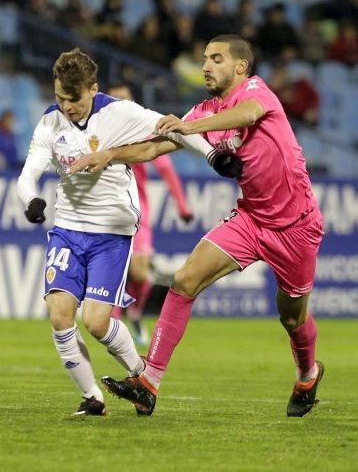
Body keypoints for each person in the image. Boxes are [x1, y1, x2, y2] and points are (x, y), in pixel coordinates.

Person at [71, 35, 324, 417]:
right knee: (184, 280)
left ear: (240, 66)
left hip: (297, 226)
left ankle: (308, 373)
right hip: (251, 219)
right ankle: (149, 382)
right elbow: (154, 146)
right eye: (205, 58)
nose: (206, 65)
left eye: (216, 59)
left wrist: (192, 129)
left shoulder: (256, 92)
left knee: (292, 316)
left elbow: (248, 115)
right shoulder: (203, 111)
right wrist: (108, 154)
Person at [17, 48, 242, 416]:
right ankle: (93, 397)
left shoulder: (118, 113)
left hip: (111, 231)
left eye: (72, 99)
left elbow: (175, 127)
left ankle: (141, 377)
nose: (66, 106)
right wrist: (31, 201)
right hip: (68, 228)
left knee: (95, 322)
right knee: (59, 315)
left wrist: (213, 156)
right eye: (59, 97)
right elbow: (28, 174)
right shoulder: (50, 123)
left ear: (92, 89)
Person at [106, 84, 193, 348]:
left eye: (125, 98)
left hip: (138, 211)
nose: (120, 103)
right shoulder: (100, 131)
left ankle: (134, 314)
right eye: (115, 99)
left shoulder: (142, 130)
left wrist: (182, 206)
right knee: (116, 271)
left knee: (140, 273)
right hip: (108, 210)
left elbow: (166, 169)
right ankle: (114, 323)